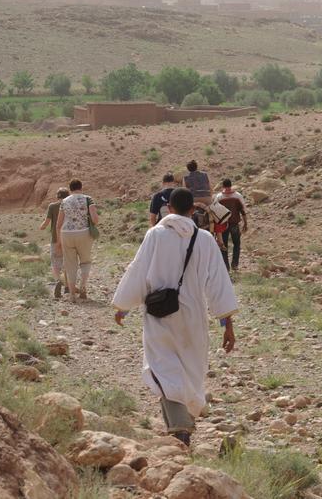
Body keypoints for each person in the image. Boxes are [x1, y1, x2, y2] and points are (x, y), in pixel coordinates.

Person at [112, 187, 238, 447]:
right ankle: (183, 424)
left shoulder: (155, 234)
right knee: (191, 369)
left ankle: (180, 428)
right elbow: (219, 284)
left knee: (162, 366)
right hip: (193, 316)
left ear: (168, 208)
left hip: (160, 313)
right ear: (193, 210)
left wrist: (124, 305)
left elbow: (138, 271)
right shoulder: (204, 239)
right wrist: (226, 323)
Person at [56, 179, 99, 302]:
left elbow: (59, 224)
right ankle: (83, 288)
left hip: (66, 234)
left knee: (70, 264)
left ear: (70, 189)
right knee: (85, 261)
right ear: (81, 187)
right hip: (83, 233)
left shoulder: (64, 201)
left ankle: (72, 295)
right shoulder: (88, 199)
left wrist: (59, 242)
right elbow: (95, 220)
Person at [39, 187, 70, 299]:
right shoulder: (69, 205)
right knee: (67, 263)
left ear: (57, 196)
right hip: (68, 238)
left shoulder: (52, 206)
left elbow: (46, 222)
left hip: (55, 239)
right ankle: (67, 286)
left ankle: (58, 281)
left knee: (55, 262)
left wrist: (41, 227)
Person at [214, 178, 248, 270]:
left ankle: (226, 266)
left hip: (223, 225)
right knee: (236, 243)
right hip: (234, 224)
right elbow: (243, 211)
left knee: (223, 245)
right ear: (231, 185)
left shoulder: (219, 197)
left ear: (223, 186)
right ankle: (235, 264)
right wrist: (245, 223)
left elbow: (215, 212)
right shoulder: (237, 196)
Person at [184, 160, 213, 227]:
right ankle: (217, 233)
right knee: (214, 214)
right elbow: (210, 188)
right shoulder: (205, 174)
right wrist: (210, 197)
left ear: (188, 168)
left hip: (193, 199)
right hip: (207, 198)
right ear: (196, 167)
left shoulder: (186, 177)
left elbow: (185, 191)